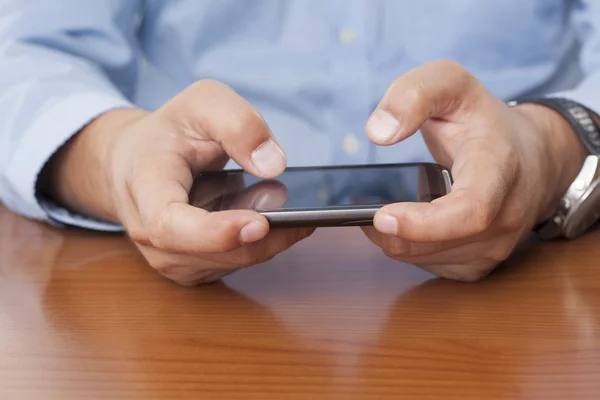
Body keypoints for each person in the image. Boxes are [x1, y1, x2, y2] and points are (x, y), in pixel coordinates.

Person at [1, 1, 599, 286]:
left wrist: (555, 140)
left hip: (541, 266)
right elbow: (24, 54)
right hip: (159, 290)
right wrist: (116, 156)